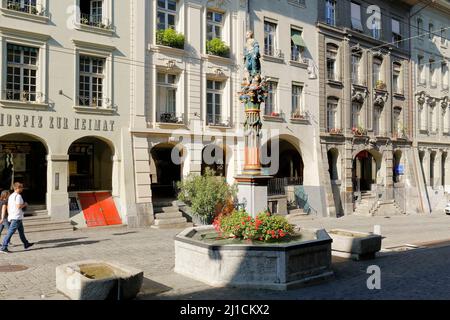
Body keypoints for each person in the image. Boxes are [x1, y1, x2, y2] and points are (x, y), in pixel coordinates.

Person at [1, 182, 34, 253]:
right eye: (21, 187)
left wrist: (10, 215)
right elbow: (18, 206)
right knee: (10, 232)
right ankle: (3, 247)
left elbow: (8, 207)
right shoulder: (18, 196)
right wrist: (25, 204)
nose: (22, 189)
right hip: (17, 217)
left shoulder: (11, 196)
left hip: (15, 216)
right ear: (17, 188)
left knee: (21, 231)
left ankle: (26, 243)